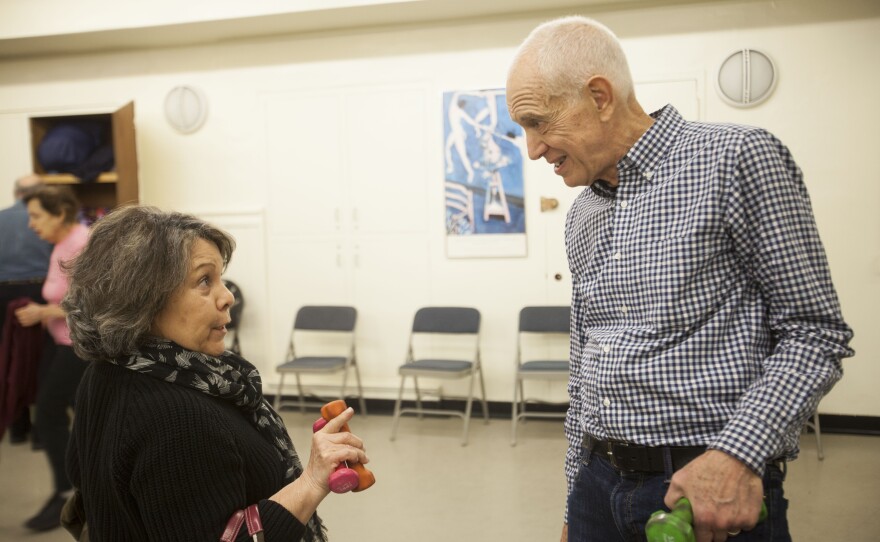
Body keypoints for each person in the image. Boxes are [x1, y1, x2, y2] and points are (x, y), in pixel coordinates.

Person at [506, 16, 853, 542]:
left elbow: (815, 333)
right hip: (599, 488)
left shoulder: (737, 159)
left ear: (599, 96)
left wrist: (738, 455)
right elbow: (586, 363)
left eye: (537, 123)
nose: (532, 149)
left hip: (702, 492)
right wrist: (575, 499)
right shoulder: (583, 213)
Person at [63, 205, 367, 541]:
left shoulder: (105, 371)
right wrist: (311, 482)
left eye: (220, 278)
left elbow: (82, 475)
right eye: (204, 280)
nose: (228, 296)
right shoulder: (177, 417)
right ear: (143, 300)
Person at [12, 185, 90, 531]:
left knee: (47, 414)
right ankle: (82, 490)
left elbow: (93, 303)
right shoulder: (61, 242)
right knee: (82, 421)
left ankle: (65, 493)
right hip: (62, 342)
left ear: (59, 213)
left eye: (36, 216)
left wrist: (44, 311)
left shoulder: (81, 244)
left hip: (79, 346)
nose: (30, 224)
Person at [0, 174, 53, 444]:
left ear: (15, 192)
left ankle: (17, 427)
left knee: (9, 359)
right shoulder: (47, 220)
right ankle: (45, 427)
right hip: (38, 291)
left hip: (2, 294)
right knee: (43, 358)